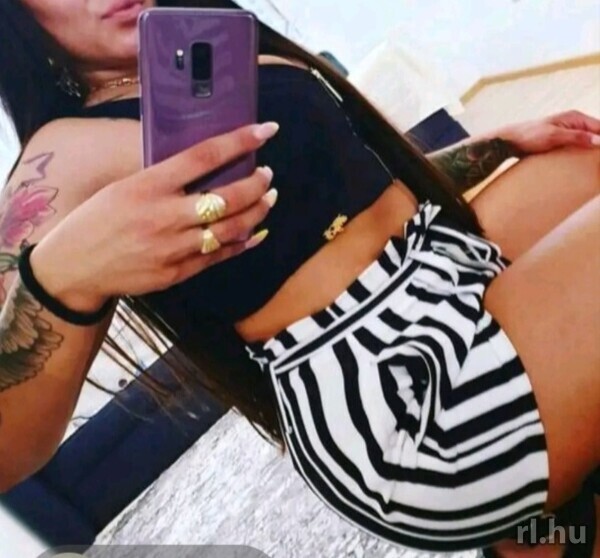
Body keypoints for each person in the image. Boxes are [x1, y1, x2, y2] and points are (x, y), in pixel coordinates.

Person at [0, 0, 598, 556]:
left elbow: (340, 201)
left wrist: (494, 145)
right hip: (408, 399)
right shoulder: (63, 154)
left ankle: (552, 530)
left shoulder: (205, 57)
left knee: (581, 159)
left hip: (437, 275)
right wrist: (58, 279)